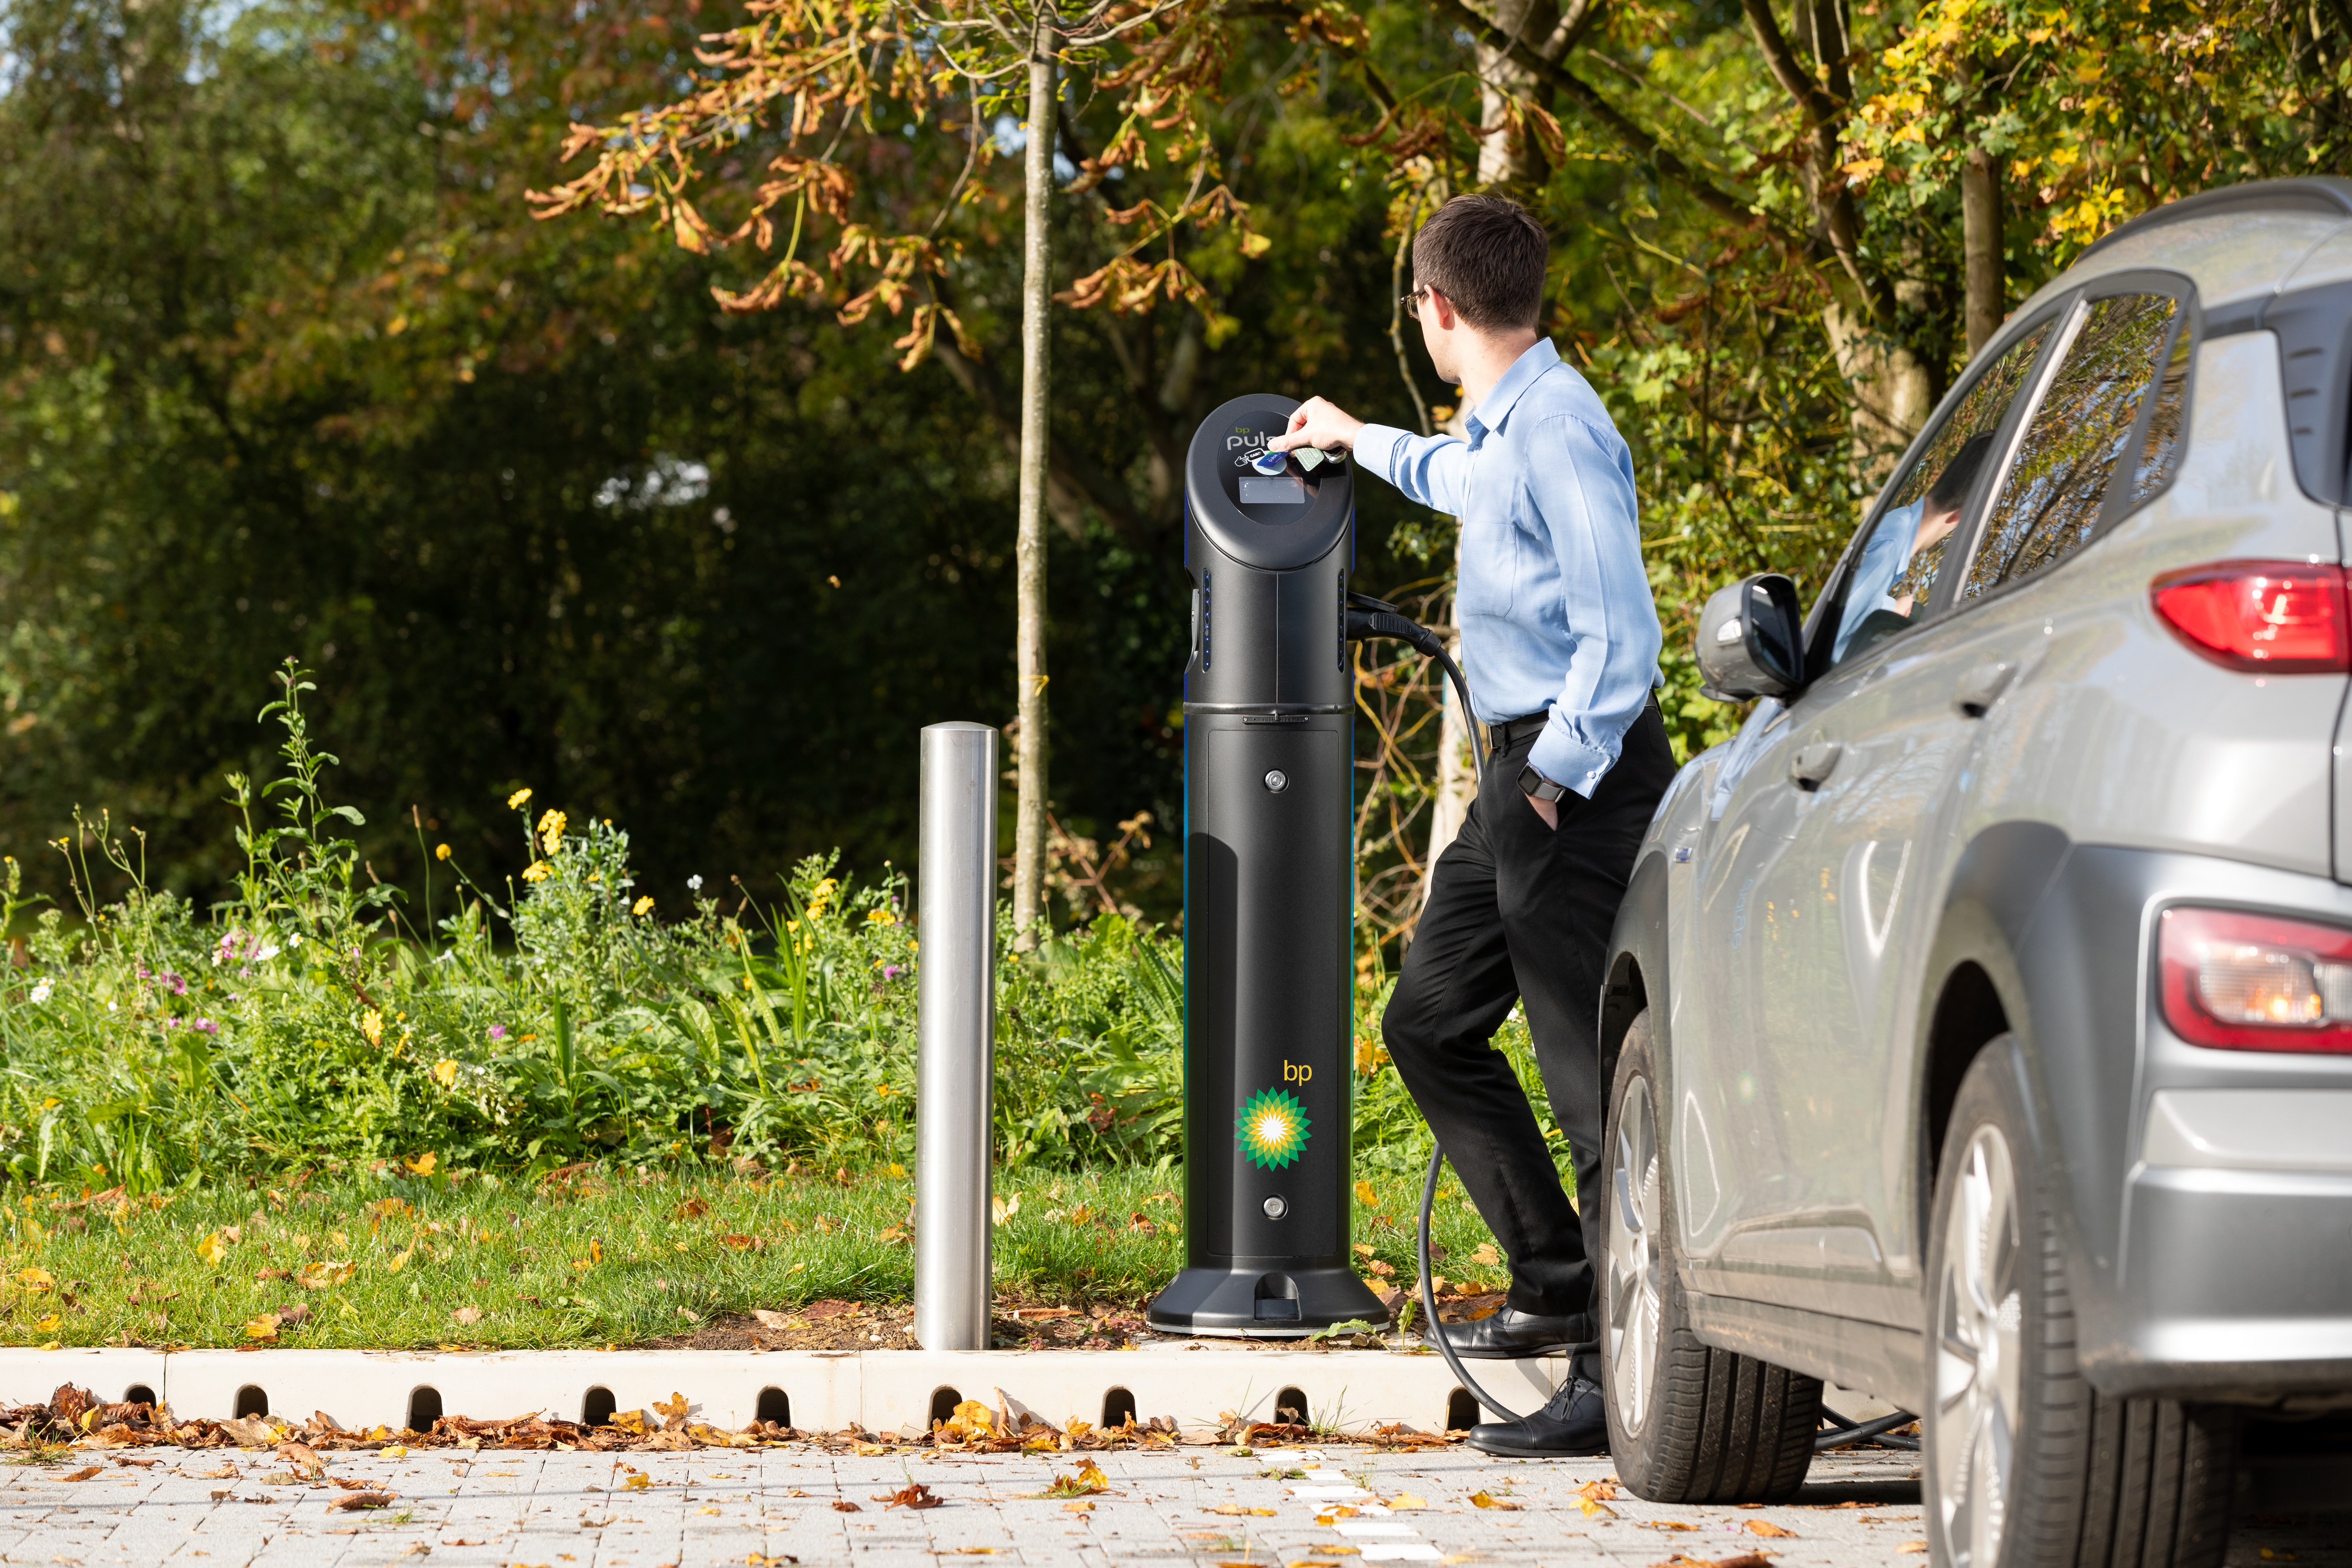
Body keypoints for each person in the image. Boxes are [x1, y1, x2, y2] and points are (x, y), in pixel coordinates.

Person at [1270, 194, 1672, 1457]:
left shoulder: (1559, 429)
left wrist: (1550, 780)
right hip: (1523, 778)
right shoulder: (1505, 426)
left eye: (1417, 310)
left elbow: (1626, 631)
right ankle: (1555, 1271)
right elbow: (1460, 479)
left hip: (1572, 775)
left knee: (1591, 1084)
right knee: (1428, 1021)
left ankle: (1620, 1375)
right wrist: (1355, 437)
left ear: (1438, 310)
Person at [1831, 432, 1996, 663]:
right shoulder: (1892, 544)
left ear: (1940, 479)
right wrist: (1892, 613)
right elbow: (1833, 632)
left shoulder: (1896, 526)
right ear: (1958, 517)